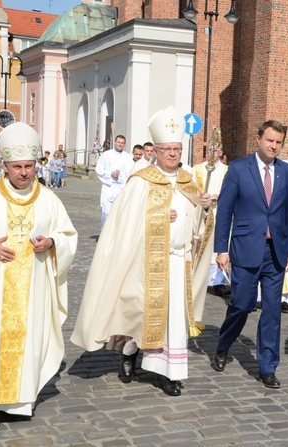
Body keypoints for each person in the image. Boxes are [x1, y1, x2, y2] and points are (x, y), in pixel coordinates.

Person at [71, 106, 213, 397]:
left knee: (173, 320)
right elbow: (125, 223)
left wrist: (206, 207)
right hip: (146, 263)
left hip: (179, 261)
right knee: (142, 314)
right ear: (155, 152)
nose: (173, 154)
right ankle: (129, 353)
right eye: (167, 149)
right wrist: (158, 216)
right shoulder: (141, 181)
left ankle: (170, 373)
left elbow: (197, 223)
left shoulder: (189, 180)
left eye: (176, 149)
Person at [0, 122, 77, 430]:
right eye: (17, 166)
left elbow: (67, 234)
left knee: (28, 337)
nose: (24, 172)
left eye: (29, 166)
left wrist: (52, 243)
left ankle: (19, 403)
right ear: (4, 167)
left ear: (36, 165)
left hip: (33, 288)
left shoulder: (50, 200)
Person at [212, 120, 288, 389]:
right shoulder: (238, 169)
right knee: (242, 305)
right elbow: (225, 212)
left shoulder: (286, 172)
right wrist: (221, 249)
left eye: (279, 142)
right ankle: (224, 344)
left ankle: (268, 366)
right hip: (246, 249)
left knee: (272, 310)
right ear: (258, 139)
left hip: (275, 252)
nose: (274, 146)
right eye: (270, 140)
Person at [192, 143, 230, 303]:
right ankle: (199, 277)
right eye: (210, 150)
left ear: (221, 153)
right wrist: (201, 196)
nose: (213, 153)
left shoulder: (227, 170)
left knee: (219, 246)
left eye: (216, 151)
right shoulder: (198, 169)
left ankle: (218, 281)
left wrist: (219, 196)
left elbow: (231, 190)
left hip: (220, 211)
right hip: (202, 211)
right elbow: (192, 187)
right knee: (201, 244)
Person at [95, 135, 130, 227]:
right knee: (106, 212)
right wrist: (110, 174)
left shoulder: (127, 157)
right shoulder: (106, 155)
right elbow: (99, 169)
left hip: (121, 188)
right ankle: (104, 236)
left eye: (122, 143)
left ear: (124, 144)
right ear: (115, 142)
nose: (120, 144)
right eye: (118, 142)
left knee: (120, 213)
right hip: (109, 187)